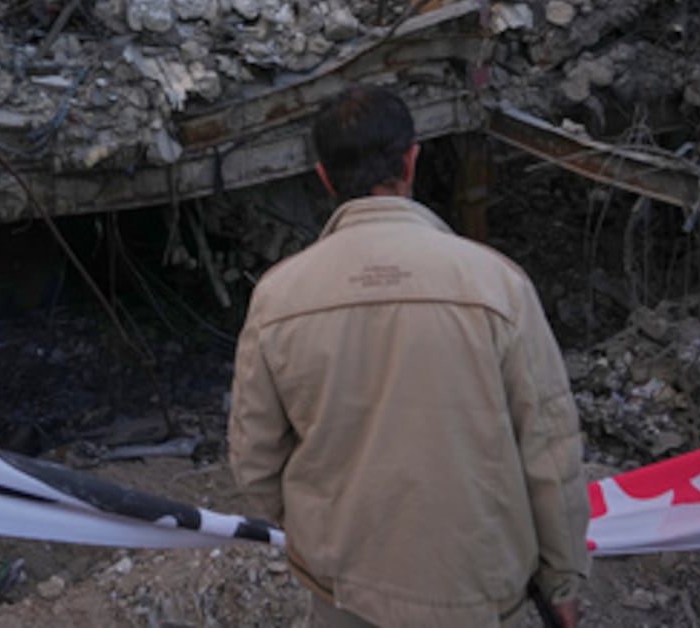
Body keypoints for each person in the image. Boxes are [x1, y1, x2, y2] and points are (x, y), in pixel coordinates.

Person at [228, 84, 590, 628]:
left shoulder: (278, 297)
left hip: (344, 589)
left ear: (324, 177)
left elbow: (254, 460)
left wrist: (321, 526)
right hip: (481, 591)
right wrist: (562, 578)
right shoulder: (497, 285)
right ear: (412, 160)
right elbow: (549, 449)